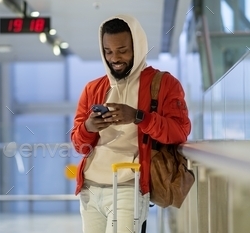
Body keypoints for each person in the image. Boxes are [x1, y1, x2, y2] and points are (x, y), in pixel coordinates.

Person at [71, 14, 191, 233]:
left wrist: (138, 117)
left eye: (123, 50)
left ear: (138, 45)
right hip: (90, 188)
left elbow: (180, 132)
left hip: (128, 186)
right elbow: (79, 145)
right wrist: (89, 127)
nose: (114, 58)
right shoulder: (93, 89)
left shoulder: (164, 84)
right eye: (108, 52)